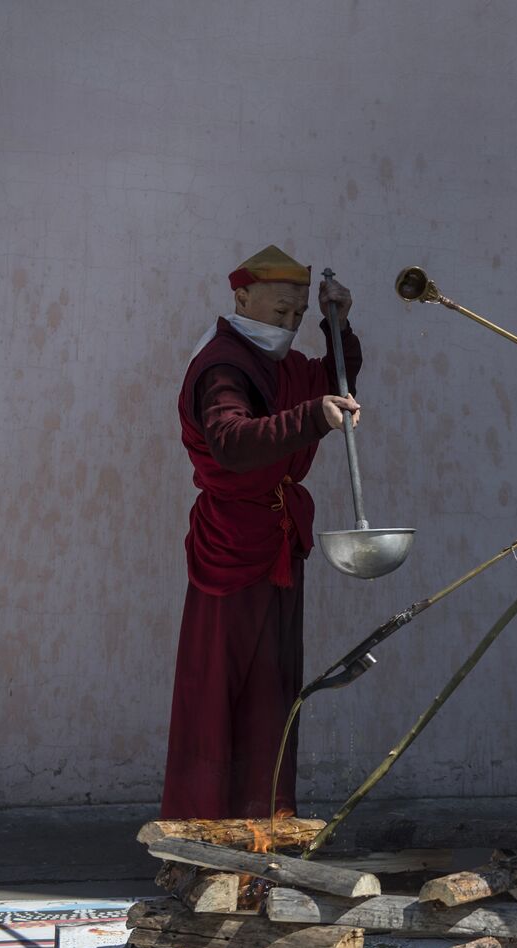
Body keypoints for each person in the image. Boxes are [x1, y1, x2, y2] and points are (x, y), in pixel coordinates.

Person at [161, 244, 362, 820]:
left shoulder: (278, 362)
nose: (289, 324)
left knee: (272, 693)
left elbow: (328, 381)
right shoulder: (224, 364)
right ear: (242, 297)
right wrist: (314, 416)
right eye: (280, 312)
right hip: (230, 541)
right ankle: (199, 828)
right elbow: (232, 438)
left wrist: (337, 326)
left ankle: (264, 822)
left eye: (298, 315)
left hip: (277, 539)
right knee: (218, 693)